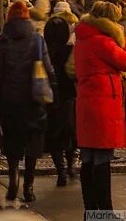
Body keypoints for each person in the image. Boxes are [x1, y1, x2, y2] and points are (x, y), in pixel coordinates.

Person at [73, 1, 126, 211]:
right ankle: (105, 211)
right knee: (101, 160)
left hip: (87, 103)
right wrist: (124, 40)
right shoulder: (103, 42)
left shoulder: (83, 38)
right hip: (103, 104)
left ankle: (90, 209)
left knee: (89, 158)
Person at [0, 0, 54, 202]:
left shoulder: (3, 41)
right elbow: (48, 68)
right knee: (32, 144)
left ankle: (13, 179)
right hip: (33, 98)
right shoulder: (37, 40)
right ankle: (29, 186)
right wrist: (52, 90)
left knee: (12, 142)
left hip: (10, 100)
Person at [44, 10, 77, 186]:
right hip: (68, 96)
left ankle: (61, 170)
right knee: (70, 132)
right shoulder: (70, 49)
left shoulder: (44, 50)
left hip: (50, 97)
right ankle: (70, 164)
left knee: (55, 136)